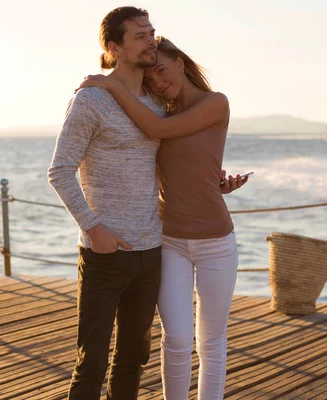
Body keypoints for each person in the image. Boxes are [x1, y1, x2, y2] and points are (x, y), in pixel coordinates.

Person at [77, 36, 248, 399]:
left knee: (211, 341)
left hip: (216, 242)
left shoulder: (215, 103)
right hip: (169, 242)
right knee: (177, 338)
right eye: (150, 79)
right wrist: (212, 180)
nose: (158, 82)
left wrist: (109, 83)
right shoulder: (156, 111)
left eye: (161, 70)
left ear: (180, 64)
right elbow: (147, 164)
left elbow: (162, 133)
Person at [48, 6, 164, 400]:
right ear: (114, 48)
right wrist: (93, 229)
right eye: (140, 36)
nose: (151, 41)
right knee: (92, 362)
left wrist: (212, 182)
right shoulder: (91, 100)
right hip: (104, 253)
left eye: (152, 33)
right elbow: (60, 171)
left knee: (133, 359)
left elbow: (163, 166)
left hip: (151, 250)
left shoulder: (157, 101)